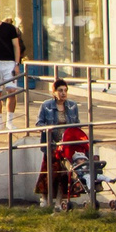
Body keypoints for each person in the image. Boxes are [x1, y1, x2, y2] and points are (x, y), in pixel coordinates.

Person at [37, 78, 84, 211]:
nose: (63, 93)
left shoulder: (72, 106)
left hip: (67, 145)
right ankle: (45, 199)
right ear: (54, 92)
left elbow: (77, 123)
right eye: (60, 90)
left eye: (65, 90)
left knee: (64, 174)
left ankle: (59, 201)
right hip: (52, 144)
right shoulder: (46, 105)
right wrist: (49, 129)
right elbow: (39, 123)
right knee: (49, 172)